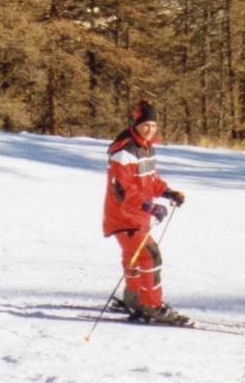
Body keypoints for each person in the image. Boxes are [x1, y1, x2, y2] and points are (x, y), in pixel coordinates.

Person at [103, 99, 186, 324]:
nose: (150, 129)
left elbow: (149, 181)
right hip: (124, 215)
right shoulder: (125, 150)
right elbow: (124, 190)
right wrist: (149, 206)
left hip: (136, 215)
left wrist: (168, 193)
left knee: (135, 256)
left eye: (153, 125)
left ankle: (133, 298)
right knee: (151, 255)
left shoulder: (145, 147)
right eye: (145, 125)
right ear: (136, 124)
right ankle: (151, 305)